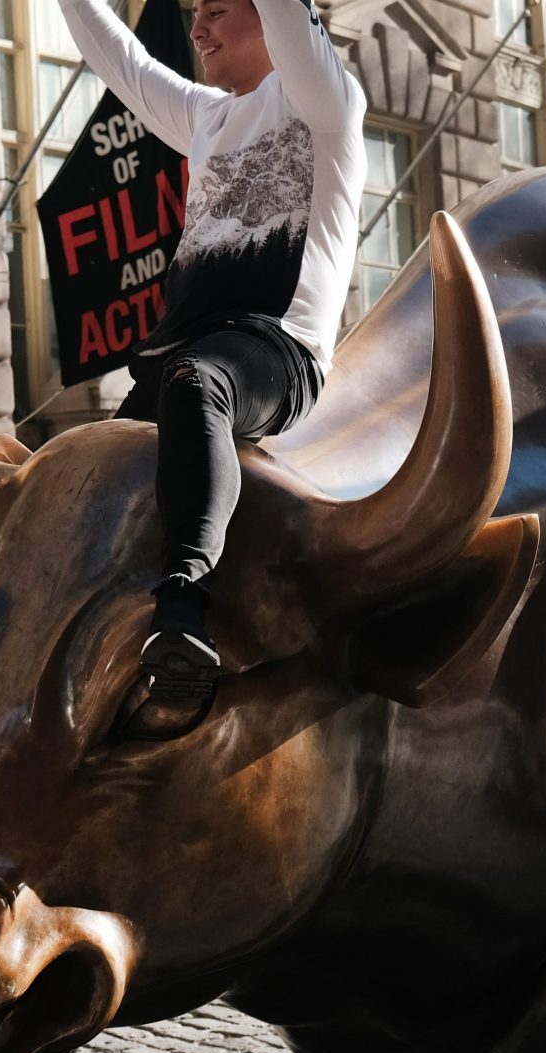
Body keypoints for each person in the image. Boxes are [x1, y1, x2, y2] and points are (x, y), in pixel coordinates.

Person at [54, 0, 366, 701]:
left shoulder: (324, 97)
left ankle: (185, 608)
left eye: (218, 11)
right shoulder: (204, 118)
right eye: (195, 13)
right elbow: (121, 62)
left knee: (200, 383)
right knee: (86, 471)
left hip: (274, 351)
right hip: (179, 356)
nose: (196, 29)